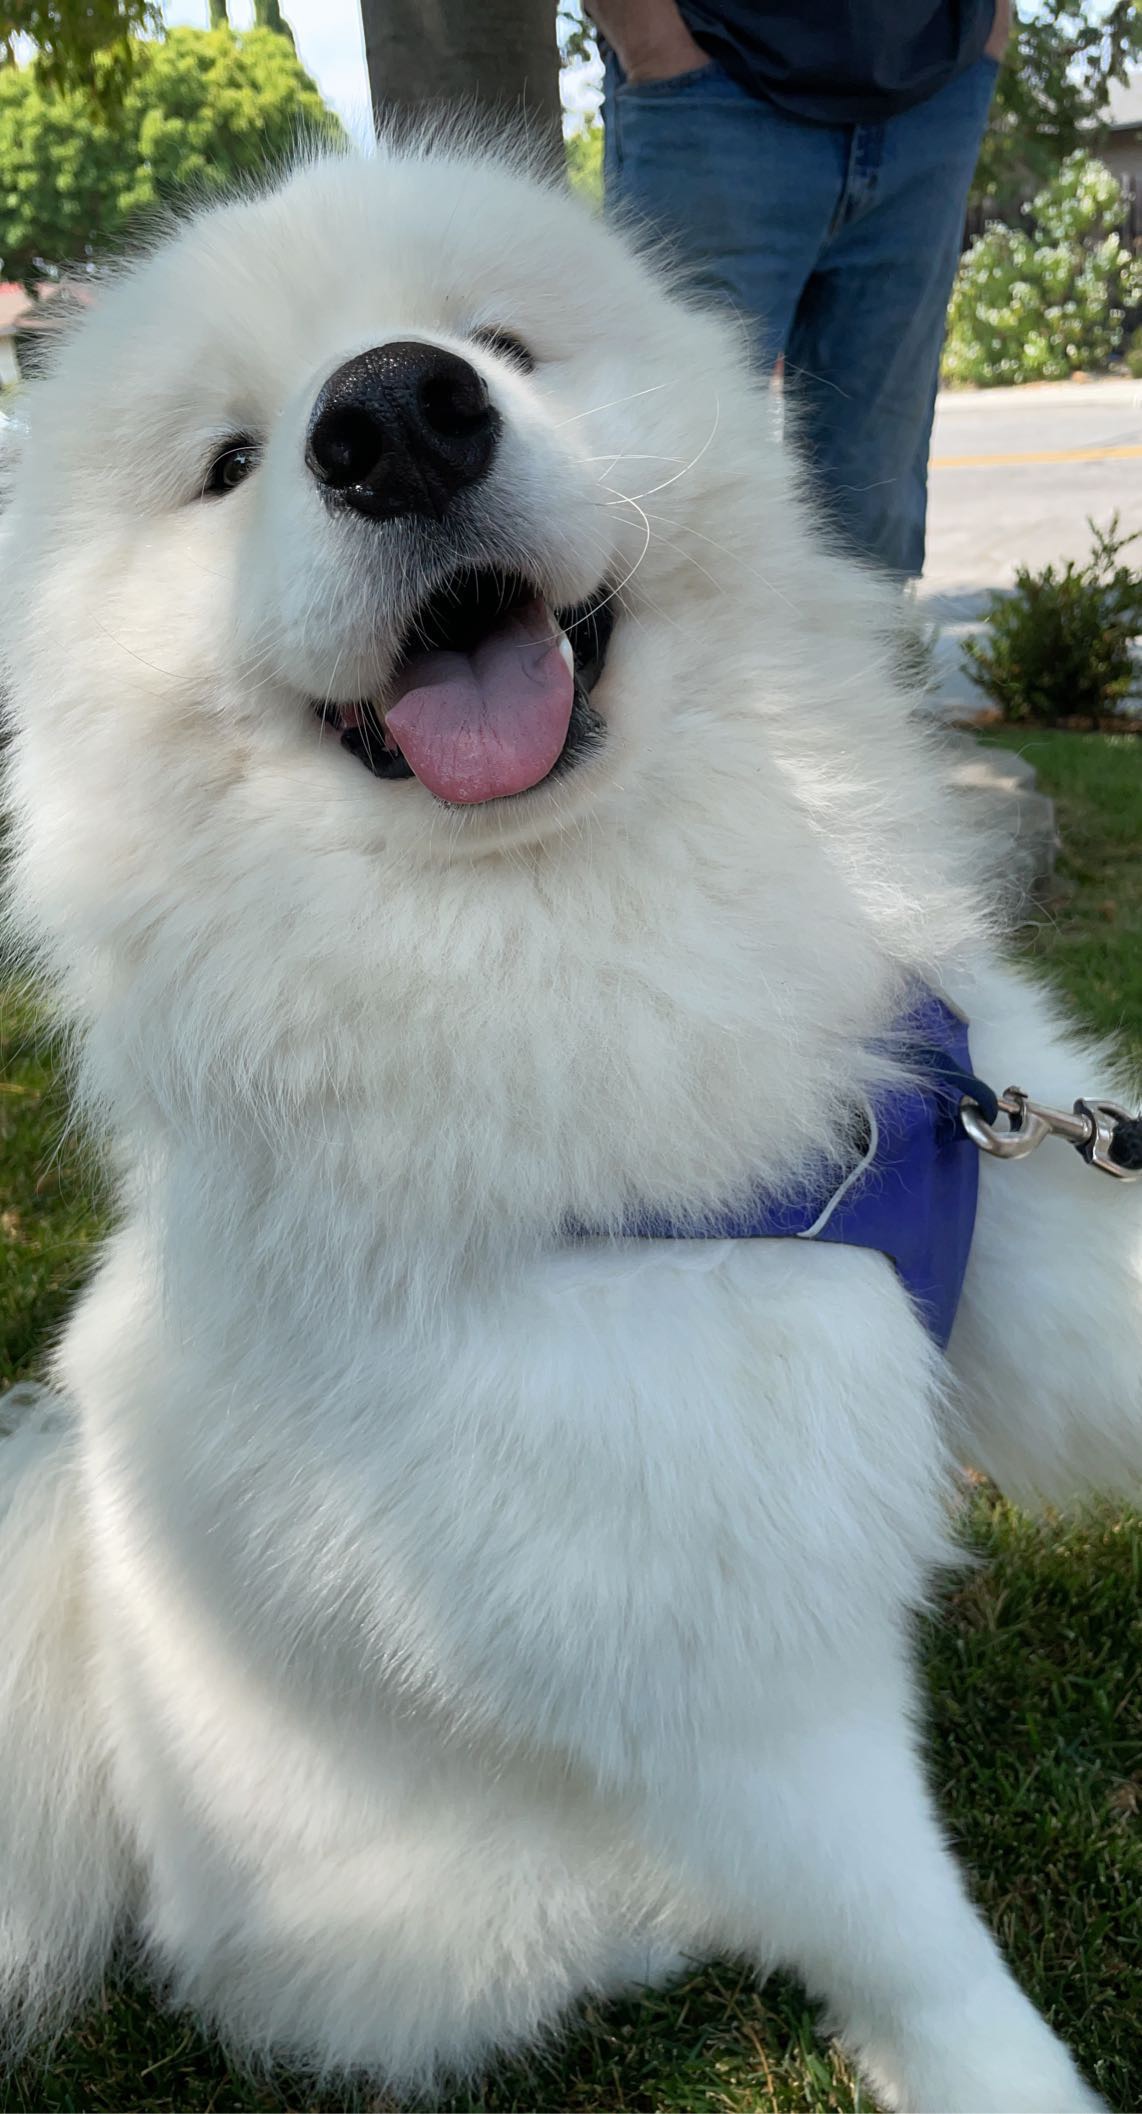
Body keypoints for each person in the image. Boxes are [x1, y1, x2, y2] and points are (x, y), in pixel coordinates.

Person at [591, 0, 1010, 580]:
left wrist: (991, 28)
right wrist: (654, 44)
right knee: (674, 518)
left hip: (934, 92)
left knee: (873, 519)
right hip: (711, 85)